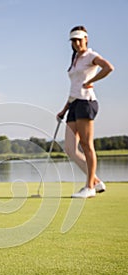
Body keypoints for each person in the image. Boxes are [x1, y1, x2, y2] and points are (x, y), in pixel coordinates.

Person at [57, 25, 114, 198]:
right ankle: (95, 181)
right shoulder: (75, 59)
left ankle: (89, 188)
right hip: (74, 104)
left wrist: (92, 80)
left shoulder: (91, 55)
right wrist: (64, 109)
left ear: (86, 39)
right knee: (69, 148)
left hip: (86, 103)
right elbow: (74, 87)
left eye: (79, 40)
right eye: (73, 40)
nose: (76, 43)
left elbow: (108, 67)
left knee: (87, 146)